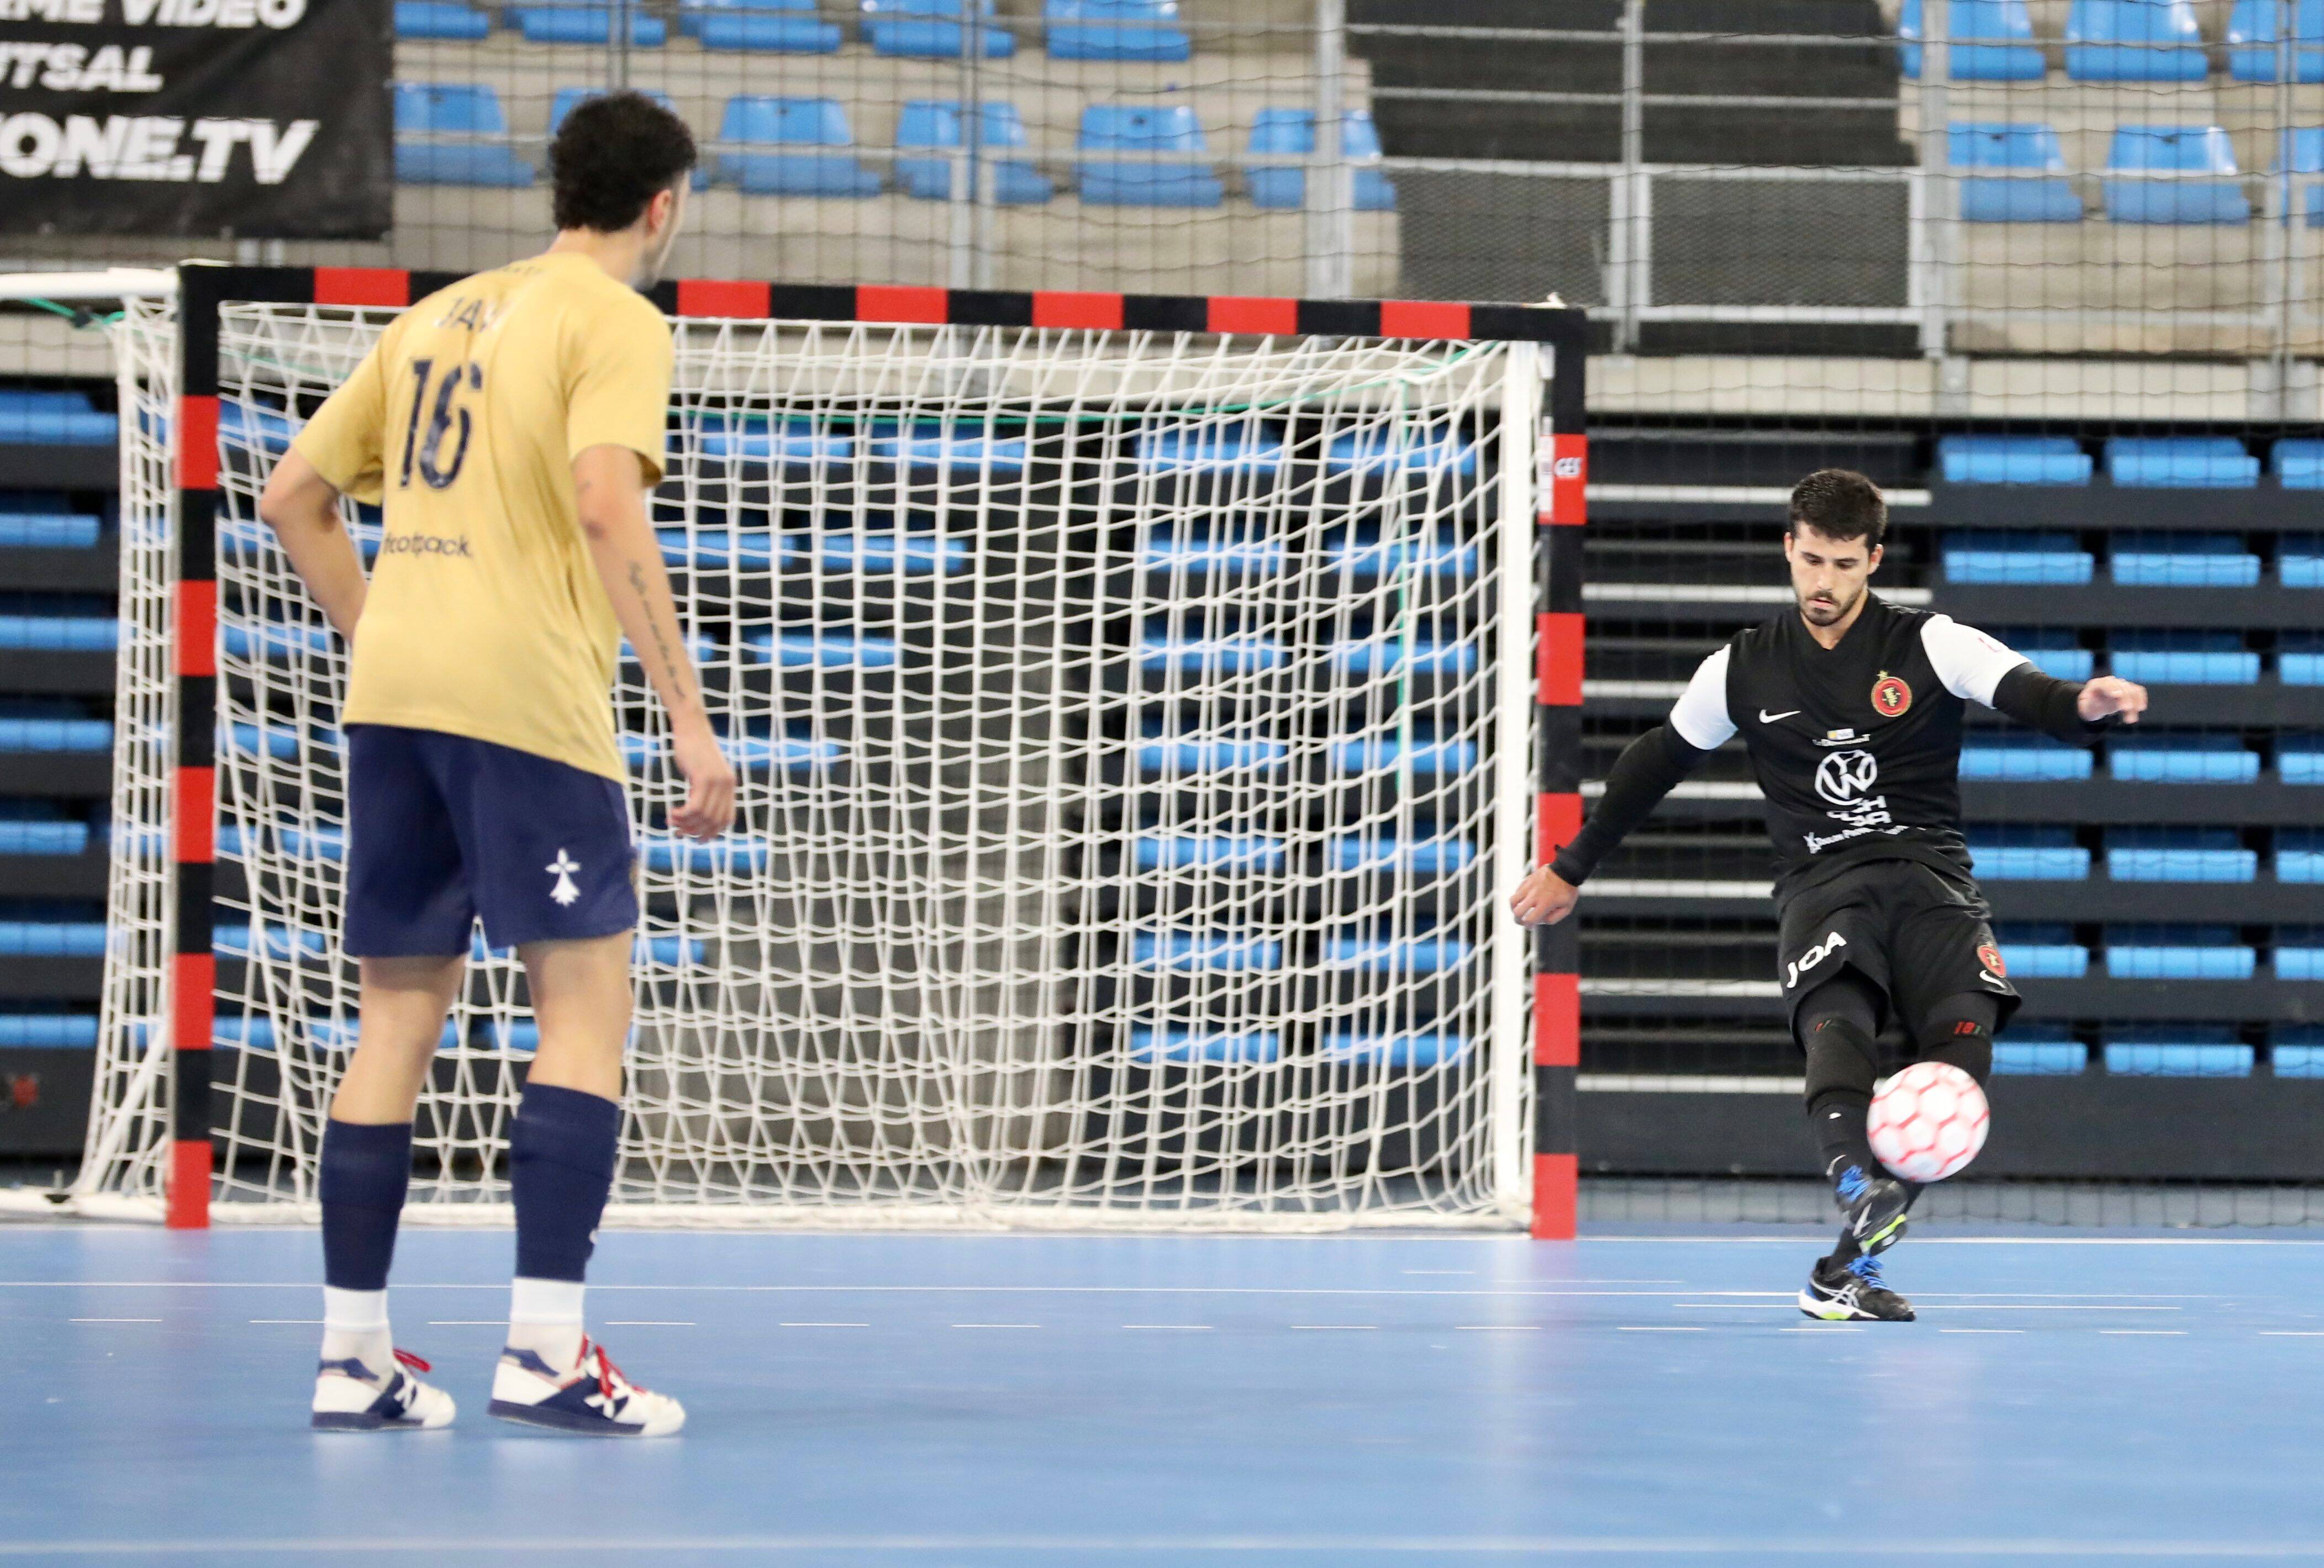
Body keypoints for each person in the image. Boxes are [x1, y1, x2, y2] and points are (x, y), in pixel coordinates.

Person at [257, 91, 735, 1433]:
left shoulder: (435, 314)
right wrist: (689, 719)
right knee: (584, 1014)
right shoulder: (618, 319)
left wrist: (393, 633)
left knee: (394, 1020)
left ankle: (353, 1361)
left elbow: (294, 495)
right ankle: (543, 1352)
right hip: (526, 701)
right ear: (665, 204)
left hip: (394, 697)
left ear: (556, 191)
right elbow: (603, 503)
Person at [1510, 469, 2147, 1322]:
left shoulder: (1932, 643)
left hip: (1933, 885)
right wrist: (1570, 867)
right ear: (1788, 548)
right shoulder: (1743, 665)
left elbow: (2031, 694)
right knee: (1839, 1023)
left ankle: (1844, 1270)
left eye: (1845, 565)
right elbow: (1657, 761)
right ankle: (1856, 1186)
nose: (1825, 583)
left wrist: (2087, 705)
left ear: (1874, 559)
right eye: (1811, 560)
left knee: (1961, 1068)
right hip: (1824, 885)